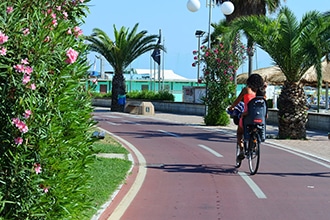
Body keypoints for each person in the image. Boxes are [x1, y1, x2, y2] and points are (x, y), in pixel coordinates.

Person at [228, 74, 264, 160]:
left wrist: (231, 107)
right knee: (255, 129)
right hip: (259, 118)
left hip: (247, 117)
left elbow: (237, 101)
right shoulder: (262, 94)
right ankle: (254, 143)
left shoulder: (246, 90)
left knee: (239, 133)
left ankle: (241, 150)